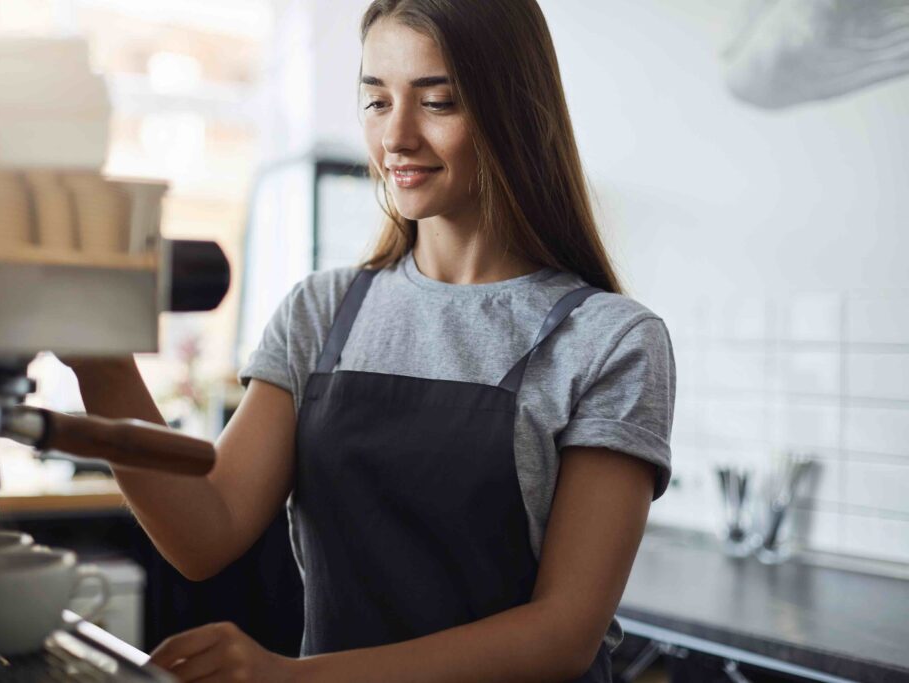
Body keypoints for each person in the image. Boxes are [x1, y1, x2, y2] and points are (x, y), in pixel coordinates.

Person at [69, 1, 675, 680]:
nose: (397, 136)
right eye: (376, 101)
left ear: (515, 111)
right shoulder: (323, 312)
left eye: (438, 102)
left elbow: (563, 634)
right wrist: (100, 364)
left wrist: (292, 678)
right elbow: (205, 529)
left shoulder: (608, 341)